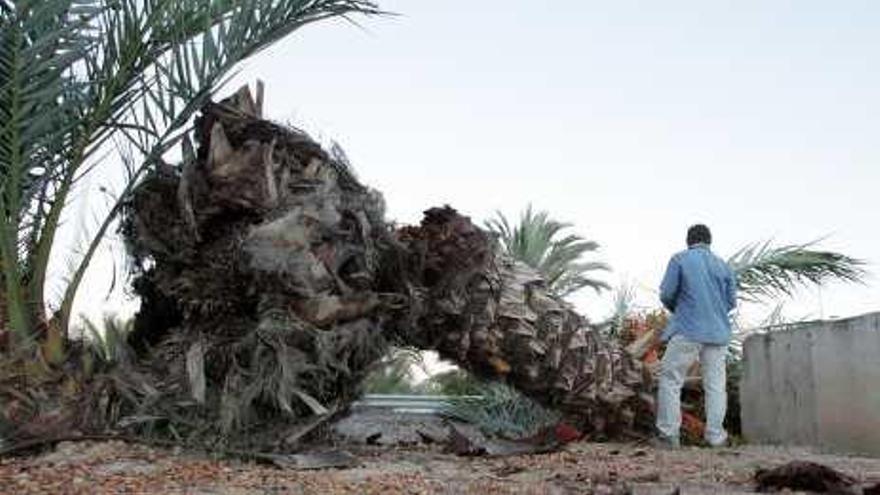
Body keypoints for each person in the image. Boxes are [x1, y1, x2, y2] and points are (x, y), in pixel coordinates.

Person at [654, 224, 737, 448]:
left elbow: (667, 293)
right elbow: (730, 303)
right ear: (709, 241)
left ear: (688, 241)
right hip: (718, 333)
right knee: (716, 386)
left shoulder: (680, 259)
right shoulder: (724, 266)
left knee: (671, 380)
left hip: (688, 328)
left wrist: (680, 308)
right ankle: (716, 437)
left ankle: (669, 435)